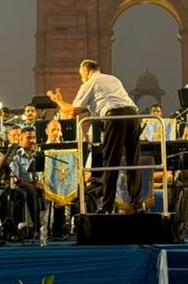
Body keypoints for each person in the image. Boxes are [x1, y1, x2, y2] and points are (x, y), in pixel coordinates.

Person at [48, 58, 140, 215]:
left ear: (87, 71)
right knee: (133, 162)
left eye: (80, 74)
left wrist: (58, 100)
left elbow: (71, 111)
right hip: (133, 116)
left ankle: (106, 207)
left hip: (114, 117)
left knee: (111, 161)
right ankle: (137, 204)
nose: (80, 78)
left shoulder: (89, 83)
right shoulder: (113, 79)